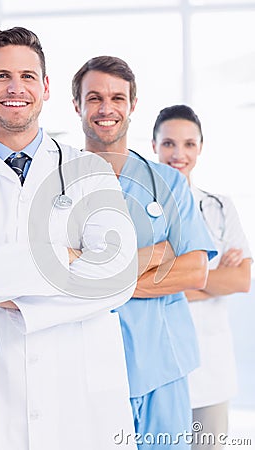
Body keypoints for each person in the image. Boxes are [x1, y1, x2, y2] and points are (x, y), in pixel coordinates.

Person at [0, 27, 139, 450]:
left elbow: (117, 277)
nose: (16, 88)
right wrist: (66, 256)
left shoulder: (89, 171)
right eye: (1, 76)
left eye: (28, 76)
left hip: (81, 404)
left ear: (47, 87)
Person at [72, 56, 217, 449]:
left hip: (162, 366)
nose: (107, 108)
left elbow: (195, 272)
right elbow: (58, 276)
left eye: (117, 97)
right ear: (77, 105)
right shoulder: (60, 183)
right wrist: (156, 253)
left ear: (132, 105)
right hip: (85, 368)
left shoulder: (167, 182)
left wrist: (99, 277)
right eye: (95, 97)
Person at [152, 104, 252, 449]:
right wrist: (213, 275)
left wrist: (176, 278)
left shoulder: (219, 205)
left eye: (189, 144)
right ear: (154, 146)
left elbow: (241, 280)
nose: (179, 154)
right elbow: (140, 286)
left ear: (200, 148)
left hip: (212, 369)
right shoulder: (139, 208)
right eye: (168, 144)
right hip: (159, 368)